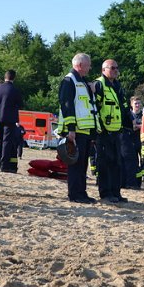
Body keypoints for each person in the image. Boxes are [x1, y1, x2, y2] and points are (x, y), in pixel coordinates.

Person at [56, 53, 99, 204]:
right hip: (76, 131)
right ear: (80, 65)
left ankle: (82, 192)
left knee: (83, 165)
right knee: (75, 164)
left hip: (86, 131)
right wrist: (71, 129)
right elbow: (67, 106)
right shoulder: (69, 81)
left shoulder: (83, 81)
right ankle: (74, 194)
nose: (90, 68)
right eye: (88, 65)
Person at [92, 59, 131, 203]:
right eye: (112, 68)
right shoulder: (99, 84)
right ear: (103, 70)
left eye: (117, 67)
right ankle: (106, 194)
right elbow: (95, 108)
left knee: (117, 163)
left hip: (116, 131)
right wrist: (99, 129)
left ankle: (116, 193)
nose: (116, 70)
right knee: (104, 164)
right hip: (103, 132)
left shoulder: (117, 85)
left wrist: (128, 123)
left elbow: (123, 106)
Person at [0, 70, 23, 172]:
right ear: (14, 78)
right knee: (7, 141)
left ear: (5, 77)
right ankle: (4, 165)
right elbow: (20, 104)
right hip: (9, 118)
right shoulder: (14, 90)